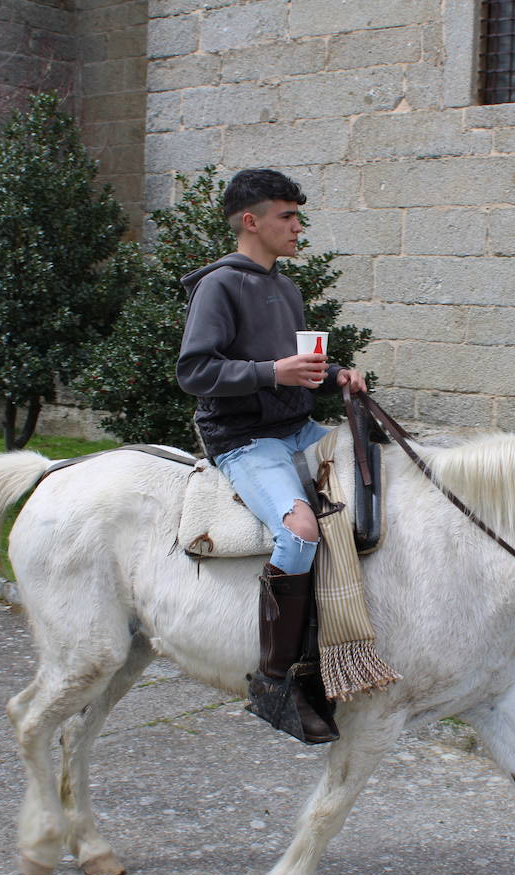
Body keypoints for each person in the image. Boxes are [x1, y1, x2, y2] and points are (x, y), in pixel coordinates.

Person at [177, 168, 366, 745]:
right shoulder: (220, 287)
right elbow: (194, 371)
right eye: (288, 216)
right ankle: (277, 680)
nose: (298, 227)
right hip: (244, 440)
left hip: (298, 427)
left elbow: (296, 364)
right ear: (251, 222)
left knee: (384, 480)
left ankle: (348, 639)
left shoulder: (286, 288)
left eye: (298, 216)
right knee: (302, 532)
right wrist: (270, 373)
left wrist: (336, 374)